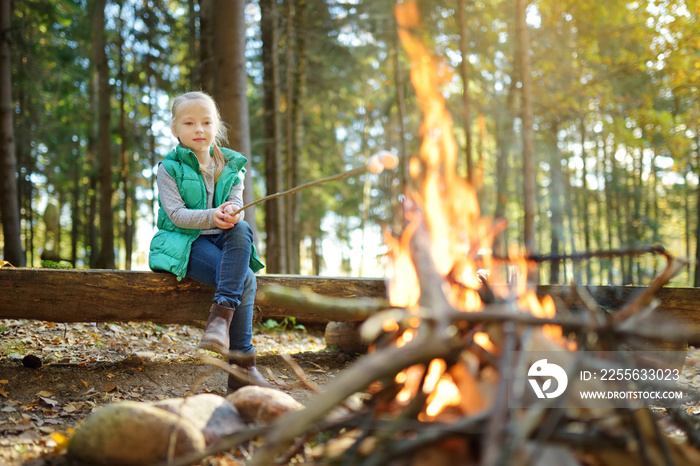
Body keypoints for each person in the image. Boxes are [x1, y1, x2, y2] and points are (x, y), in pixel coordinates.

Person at [149, 91, 266, 392]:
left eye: (205, 122)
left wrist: (230, 212)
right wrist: (212, 216)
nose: (198, 129)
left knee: (242, 230)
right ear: (175, 129)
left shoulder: (231, 166)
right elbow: (176, 215)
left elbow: (234, 207)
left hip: (224, 241)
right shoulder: (169, 169)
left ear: (217, 126)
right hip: (186, 243)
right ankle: (244, 367)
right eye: (189, 123)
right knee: (247, 279)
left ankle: (219, 321)